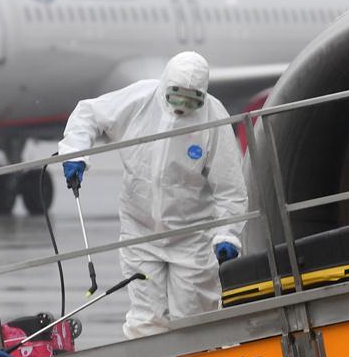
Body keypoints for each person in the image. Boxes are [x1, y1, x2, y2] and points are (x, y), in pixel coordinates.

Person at [59, 51, 248, 339]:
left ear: (203, 95)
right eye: (177, 97)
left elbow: (230, 189)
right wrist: (75, 152)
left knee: (195, 319)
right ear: (164, 87)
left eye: (192, 99)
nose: (183, 107)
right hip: (141, 233)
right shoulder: (140, 100)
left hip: (192, 237)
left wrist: (227, 234)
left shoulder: (213, 118)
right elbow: (88, 113)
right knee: (145, 320)